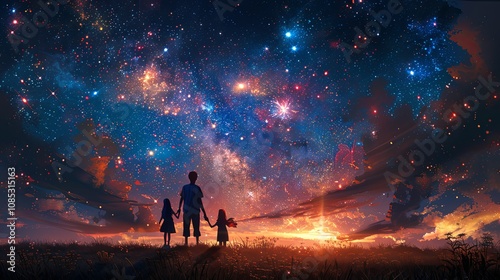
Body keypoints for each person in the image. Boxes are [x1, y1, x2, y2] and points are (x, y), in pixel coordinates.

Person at [177, 171, 208, 246]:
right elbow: (200, 201)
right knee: (196, 226)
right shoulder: (197, 188)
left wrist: (179, 208)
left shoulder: (185, 187)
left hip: (186, 210)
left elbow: (182, 198)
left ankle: (186, 243)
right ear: (196, 178)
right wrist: (204, 213)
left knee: (186, 226)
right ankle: (197, 243)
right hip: (195, 210)